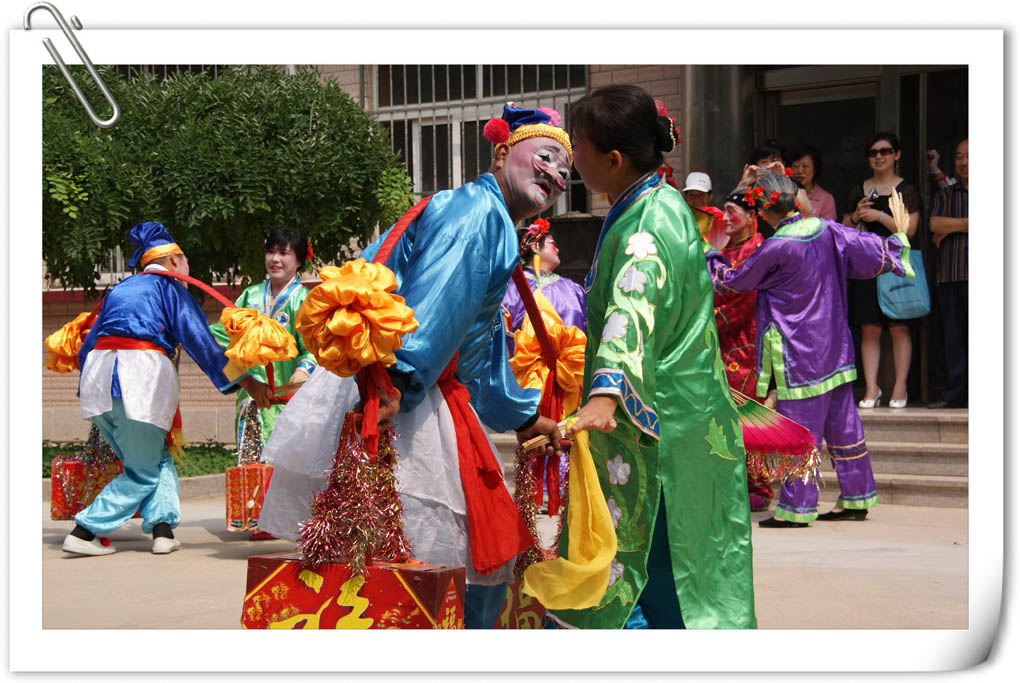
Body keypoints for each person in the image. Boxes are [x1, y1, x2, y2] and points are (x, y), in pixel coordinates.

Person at [258, 103, 570, 629]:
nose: (556, 175)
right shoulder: (480, 216)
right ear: (500, 153)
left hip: (409, 389)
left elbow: (474, 348)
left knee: (392, 563)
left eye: (565, 170)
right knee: (426, 570)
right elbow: (431, 312)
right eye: (545, 157)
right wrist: (393, 388)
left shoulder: (482, 214)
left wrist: (523, 417)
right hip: (404, 396)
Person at [548, 84, 756, 630]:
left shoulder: (645, 225)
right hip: (686, 417)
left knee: (637, 569)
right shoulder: (658, 204)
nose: (573, 156)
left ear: (612, 160)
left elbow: (632, 302)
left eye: (579, 145)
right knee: (683, 570)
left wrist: (604, 391)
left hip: (652, 422)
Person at [706, 173, 916, 527]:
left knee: (798, 433)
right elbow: (866, 250)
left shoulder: (776, 248)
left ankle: (797, 508)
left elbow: (733, 281)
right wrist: (896, 240)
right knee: (844, 427)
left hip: (799, 353)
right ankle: (856, 496)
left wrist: (710, 255)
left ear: (766, 209)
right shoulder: (826, 229)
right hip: (834, 346)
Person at [62, 222, 272, 557]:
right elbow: (202, 343)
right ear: (173, 260)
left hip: (98, 382)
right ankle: (85, 530)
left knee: (154, 456)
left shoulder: (120, 289)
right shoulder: (170, 288)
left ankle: (162, 529)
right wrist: (248, 381)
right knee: (142, 472)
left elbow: (87, 348)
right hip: (139, 381)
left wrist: (96, 378)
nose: (187, 265)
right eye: (184, 258)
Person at [210, 227, 317, 443]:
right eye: (270, 252)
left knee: (285, 472)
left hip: (290, 401)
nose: (275, 259)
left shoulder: (305, 300)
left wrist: (301, 374)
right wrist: (245, 379)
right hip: (251, 400)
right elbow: (223, 337)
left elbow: (314, 350)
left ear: (299, 260)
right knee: (251, 471)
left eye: (283, 253)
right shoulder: (250, 295)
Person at [843, 132, 922, 409]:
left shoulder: (906, 189)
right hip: (866, 265)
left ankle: (900, 386)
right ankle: (872, 387)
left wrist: (879, 216)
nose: (879, 156)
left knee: (899, 326)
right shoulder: (859, 189)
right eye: (873, 152)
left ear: (897, 155)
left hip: (896, 264)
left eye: (885, 151)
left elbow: (908, 231)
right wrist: (855, 215)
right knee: (869, 329)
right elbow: (844, 229)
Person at [713, 187, 772, 512]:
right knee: (723, 414)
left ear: (752, 217)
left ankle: (758, 485)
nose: (725, 218)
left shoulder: (757, 251)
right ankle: (730, 481)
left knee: (749, 411)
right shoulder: (725, 250)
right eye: (723, 210)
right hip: (720, 344)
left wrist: (706, 319)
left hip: (747, 342)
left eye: (732, 211)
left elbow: (743, 298)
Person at [501, 219, 587, 353]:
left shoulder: (573, 288)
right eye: (553, 244)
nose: (557, 249)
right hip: (527, 368)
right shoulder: (513, 286)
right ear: (535, 247)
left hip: (572, 368)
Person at [927, 138, 968, 409]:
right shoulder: (947, 194)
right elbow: (934, 223)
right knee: (954, 338)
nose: (964, 162)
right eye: (959, 156)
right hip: (951, 275)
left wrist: (952, 228)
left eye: (970, 156)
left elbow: (944, 227)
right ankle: (956, 394)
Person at [738, 140, 813, 237]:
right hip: (756, 242)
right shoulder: (750, 186)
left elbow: (807, 209)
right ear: (756, 165)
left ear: (783, 162)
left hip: (789, 238)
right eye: (764, 162)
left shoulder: (791, 183)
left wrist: (784, 177)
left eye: (774, 161)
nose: (770, 166)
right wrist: (744, 183)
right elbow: (732, 211)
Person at [789, 144, 837, 220]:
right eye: (795, 166)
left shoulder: (826, 199)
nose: (800, 171)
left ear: (815, 169)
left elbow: (828, 229)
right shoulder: (783, 193)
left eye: (805, 166)